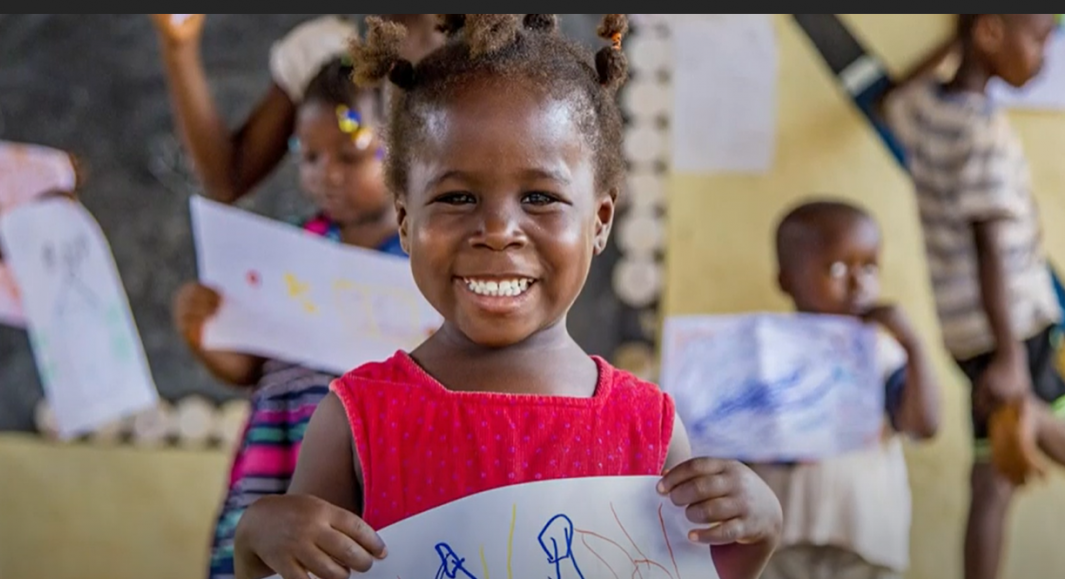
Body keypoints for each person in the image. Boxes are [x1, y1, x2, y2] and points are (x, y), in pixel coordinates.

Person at [232, 15, 783, 579]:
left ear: (600, 221)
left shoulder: (650, 428)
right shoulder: (356, 421)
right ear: (404, 219)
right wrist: (257, 543)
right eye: (457, 196)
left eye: (540, 196)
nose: (497, 230)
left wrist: (756, 537)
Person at [172, 55, 402, 579]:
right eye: (310, 155)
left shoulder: (423, 264)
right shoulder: (289, 251)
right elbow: (253, 368)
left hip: (368, 466)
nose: (327, 175)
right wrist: (203, 335)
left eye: (350, 155)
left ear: (405, 152)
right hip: (276, 453)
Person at [882, 13, 1065, 579]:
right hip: (1015, 331)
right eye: (1038, 40)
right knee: (1019, 450)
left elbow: (888, 103)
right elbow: (991, 248)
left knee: (992, 478)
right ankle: (1028, 410)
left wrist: (956, 42)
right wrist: (1012, 360)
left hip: (968, 334)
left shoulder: (929, 109)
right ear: (989, 32)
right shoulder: (980, 129)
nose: (1044, 58)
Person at [755, 200, 942, 579]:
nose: (859, 283)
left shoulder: (881, 351)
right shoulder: (762, 352)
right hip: (778, 542)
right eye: (837, 268)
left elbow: (924, 424)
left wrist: (912, 344)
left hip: (865, 545)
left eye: (870, 267)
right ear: (786, 279)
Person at [151, 13, 443, 204]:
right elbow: (229, 178)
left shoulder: (482, 51)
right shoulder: (324, 48)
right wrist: (180, 48)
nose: (329, 174)